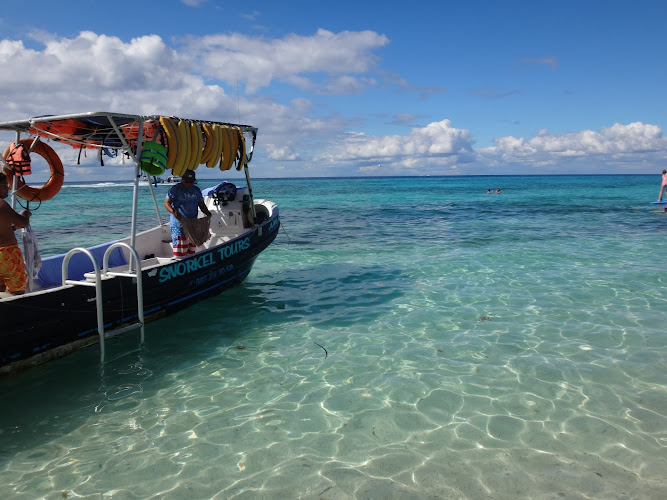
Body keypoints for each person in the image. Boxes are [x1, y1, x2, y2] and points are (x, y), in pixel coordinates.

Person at [164, 169, 211, 257]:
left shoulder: (196, 190)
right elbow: (167, 203)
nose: (189, 184)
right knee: (180, 251)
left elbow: (201, 204)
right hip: (179, 224)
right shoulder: (175, 189)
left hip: (192, 224)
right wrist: (173, 212)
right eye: (187, 181)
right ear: (182, 179)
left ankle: (190, 263)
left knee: (191, 249)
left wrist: (208, 213)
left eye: (191, 182)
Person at [0, 172, 31, 295]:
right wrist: (25, 215)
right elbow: (23, 223)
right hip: (7, 253)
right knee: (17, 291)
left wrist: (11, 228)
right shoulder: (2, 204)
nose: (8, 188)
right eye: (4, 185)